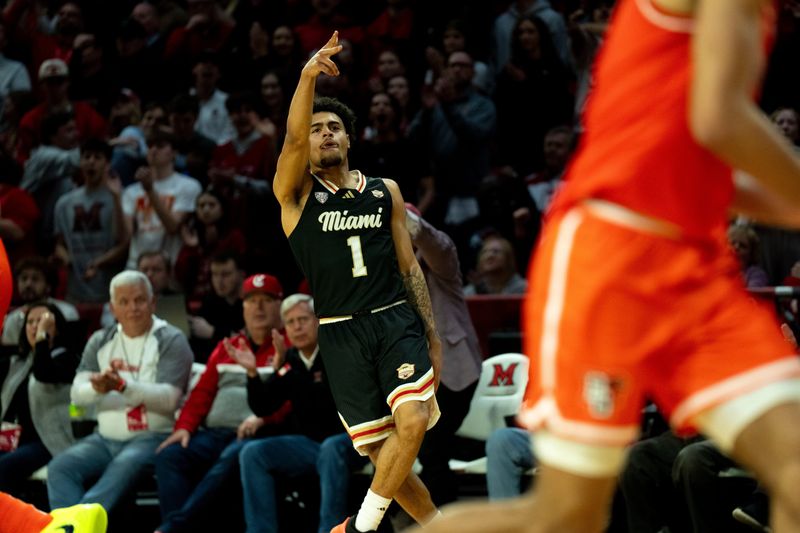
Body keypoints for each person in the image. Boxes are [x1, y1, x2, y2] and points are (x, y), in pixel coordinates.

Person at [418, 0, 800, 532]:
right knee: (565, 513)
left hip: (690, 262)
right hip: (613, 246)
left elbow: (706, 164)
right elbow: (718, 119)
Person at [273, 32, 442, 533]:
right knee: (385, 456)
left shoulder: (385, 191)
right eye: (317, 128)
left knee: (413, 422)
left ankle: (360, 529)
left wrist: (431, 331)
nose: (325, 134)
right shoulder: (295, 197)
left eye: (334, 128)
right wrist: (307, 76)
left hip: (393, 320)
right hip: (340, 332)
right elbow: (292, 141)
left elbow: (409, 267)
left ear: (349, 139)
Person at [46, 270, 193, 519]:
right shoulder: (101, 340)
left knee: (121, 467)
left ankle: (75, 527)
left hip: (153, 437)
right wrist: (98, 388)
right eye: (124, 302)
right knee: (60, 468)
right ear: (113, 308)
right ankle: (72, 527)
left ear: (153, 302)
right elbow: (77, 394)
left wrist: (123, 387)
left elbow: (169, 399)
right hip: (104, 439)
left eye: (139, 300)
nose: (132, 308)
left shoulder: (171, 338)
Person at [153, 273, 289, 533]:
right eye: (252, 301)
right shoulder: (228, 347)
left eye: (266, 300)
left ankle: (175, 527)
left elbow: (293, 396)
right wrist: (184, 427)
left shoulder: (287, 346)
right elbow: (201, 392)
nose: (258, 307)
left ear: (279, 305)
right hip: (215, 433)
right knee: (170, 456)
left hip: (256, 434)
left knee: (233, 454)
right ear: (243, 307)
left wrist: (264, 418)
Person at [234, 293, 347, 533]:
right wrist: (253, 373)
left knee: (330, 448)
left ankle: (330, 530)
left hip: (348, 440)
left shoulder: (337, 352)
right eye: (290, 322)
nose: (297, 327)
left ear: (317, 321)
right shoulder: (290, 360)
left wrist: (286, 370)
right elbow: (263, 407)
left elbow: (330, 402)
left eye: (303, 319)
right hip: (309, 445)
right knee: (252, 453)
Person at [404, 205, 482, 506]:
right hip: (414, 375)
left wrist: (410, 222)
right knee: (423, 447)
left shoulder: (441, 263)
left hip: (454, 372)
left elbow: (437, 244)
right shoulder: (389, 268)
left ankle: (441, 517)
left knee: (432, 446)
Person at [0, 303, 77, 495]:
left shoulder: (66, 359)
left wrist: (42, 336)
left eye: (42, 321)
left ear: (56, 327)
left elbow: (43, 372)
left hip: (47, 440)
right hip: (13, 439)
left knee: (4, 468)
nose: (35, 326)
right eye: (31, 322)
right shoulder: (18, 364)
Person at [53, 139, 128, 304]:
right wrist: (66, 258)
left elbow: (124, 243)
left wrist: (99, 263)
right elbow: (59, 244)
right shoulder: (64, 203)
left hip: (110, 291)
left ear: (107, 164)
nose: (91, 162)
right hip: (75, 290)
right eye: (86, 157)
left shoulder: (120, 198)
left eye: (97, 157)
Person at [121, 128, 202, 270]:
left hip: (169, 266)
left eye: (160, 146)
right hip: (136, 265)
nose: (153, 150)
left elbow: (172, 226)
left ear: (174, 153)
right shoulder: (131, 191)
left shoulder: (188, 186)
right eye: (150, 146)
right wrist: (116, 195)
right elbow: (126, 235)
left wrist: (150, 191)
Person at [1, 256, 79, 347]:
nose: (28, 284)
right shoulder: (12, 319)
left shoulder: (67, 312)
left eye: (35, 279)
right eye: (24, 278)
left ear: (48, 286)